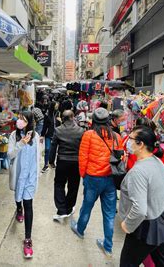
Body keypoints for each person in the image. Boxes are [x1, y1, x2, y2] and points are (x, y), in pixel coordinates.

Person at [119, 125, 164, 267]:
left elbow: (139, 209)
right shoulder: (157, 162)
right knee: (161, 262)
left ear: (141, 144)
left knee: (127, 263)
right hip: (163, 219)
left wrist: (127, 225)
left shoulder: (138, 172)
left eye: (130, 138)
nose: (127, 141)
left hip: (146, 227)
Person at [70, 107, 120, 257]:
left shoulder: (88, 135)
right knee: (109, 213)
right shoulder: (117, 137)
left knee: (87, 206)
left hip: (92, 177)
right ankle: (108, 246)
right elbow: (119, 160)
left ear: (94, 121)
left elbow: (83, 158)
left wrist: (83, 176)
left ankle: (80, 229)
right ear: (108, 121)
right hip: (110, 179)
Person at [8, 111, 41, 259]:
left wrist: (37, 175)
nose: (20, 121)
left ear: (30, 122)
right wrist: (21, 143)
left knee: (29, 205)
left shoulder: (36, 136)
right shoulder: (14, 136)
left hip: (30, 178)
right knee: (18, 198)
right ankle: (18, 208)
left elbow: (38, 157)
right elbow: (10, 155)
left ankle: (28, 239)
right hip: (19, 175)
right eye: (19, 118)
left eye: (24, 119)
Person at [49, 110, 84, 221]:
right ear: (72, 117)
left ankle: (61, 210)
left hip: (62, 161)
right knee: (73, 186)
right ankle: (69, 208)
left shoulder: (58, 130)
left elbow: (53, 147)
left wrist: (51, 161)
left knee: (59, 184)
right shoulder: (81, 131)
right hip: (76, 162)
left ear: (62, 118)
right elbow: (83, 149)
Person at [40, 101, 60, 173]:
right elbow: (44, 126)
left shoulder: (57, 113)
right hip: (48, 135)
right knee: (47, 149)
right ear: (52, 106)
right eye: (56, 106)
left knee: (54, 150)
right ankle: (45, 165)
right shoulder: (47, 115)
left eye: (57, 106)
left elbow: (59, 124)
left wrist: (60, 121)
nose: (57, 108)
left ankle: (52, 162)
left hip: (56, 135)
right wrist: (42, 135)